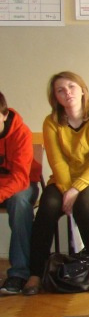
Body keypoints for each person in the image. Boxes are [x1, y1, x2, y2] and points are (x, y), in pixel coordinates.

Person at [24, 72, 89, 295]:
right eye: (60, 90)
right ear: (55, 97)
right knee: (46, 208)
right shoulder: (51, 122)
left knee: (83, 207)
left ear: (82, 90)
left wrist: (75, 190)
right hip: (62, 182)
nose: (67, 93)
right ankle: (35, 274)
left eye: (72, 87)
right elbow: (57, 162)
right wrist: (67, 190)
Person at [0, 92, 42, 295]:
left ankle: (19, 273)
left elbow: (20, 178)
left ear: (4, 115)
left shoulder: (21, 133)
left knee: (19, 203)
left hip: (22, 184)